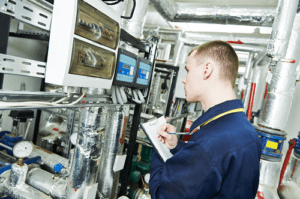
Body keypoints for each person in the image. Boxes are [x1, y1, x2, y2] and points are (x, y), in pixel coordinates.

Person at [149, 40, 262, 198]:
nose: (184, 79)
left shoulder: (211, 141)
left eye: (188, 70)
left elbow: (162, 195)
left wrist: (158, 147)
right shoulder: (246, 130)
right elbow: (212, 165)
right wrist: (176, 146)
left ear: (207, 70)